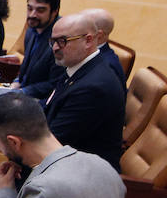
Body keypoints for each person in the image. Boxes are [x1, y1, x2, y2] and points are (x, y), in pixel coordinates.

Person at [43, 12, 127, 170]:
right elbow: (50, 108)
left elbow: (54, 142)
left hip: (79, 175)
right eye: (53, 41)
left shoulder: (94, 88)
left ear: (88, 40)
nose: (54, 48)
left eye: (62, 41)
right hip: (65, 163)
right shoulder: (76, 67)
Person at [13, 0, 61, 98]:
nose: (32, 15)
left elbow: (55, 83)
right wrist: (16, 82)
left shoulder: (61, 38)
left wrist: (22, 92)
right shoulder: (31, 30)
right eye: (29, 8)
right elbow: (26, 70)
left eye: (40, 10)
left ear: (55, 11)